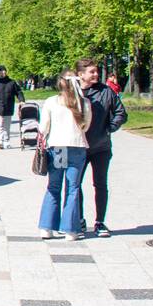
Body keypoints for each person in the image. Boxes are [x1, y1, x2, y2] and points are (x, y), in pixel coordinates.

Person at [37, 71, 92, 241]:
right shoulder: (84, 103)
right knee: (73, 188)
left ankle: (46, 228)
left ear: (60, 83)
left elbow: (43, 127)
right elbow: (86, 127)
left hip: (58, 147)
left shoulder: (52, 102)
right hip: (77, 147)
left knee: (54, 187)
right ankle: (70, 230)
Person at [77, 57, 128, 237]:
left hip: (101, 147)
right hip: (78, 147)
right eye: (92, 72)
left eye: (96, 71)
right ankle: (79, 220)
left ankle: (100, 222)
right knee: (75, 185)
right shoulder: (73, 93)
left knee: (100, 184)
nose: (96, 74)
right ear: (80, 74)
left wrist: (109, 128)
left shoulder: (106, 92)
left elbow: (121, 113)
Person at [0, 65, 25, 149]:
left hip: (8, 107)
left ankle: (6, 141)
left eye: (4, 70)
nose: (3, 72)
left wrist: (21, 100)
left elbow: (18, 92)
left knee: (7, 125)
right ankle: (0, 141)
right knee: (0, 124)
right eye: (1, 71)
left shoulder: (12, 82)